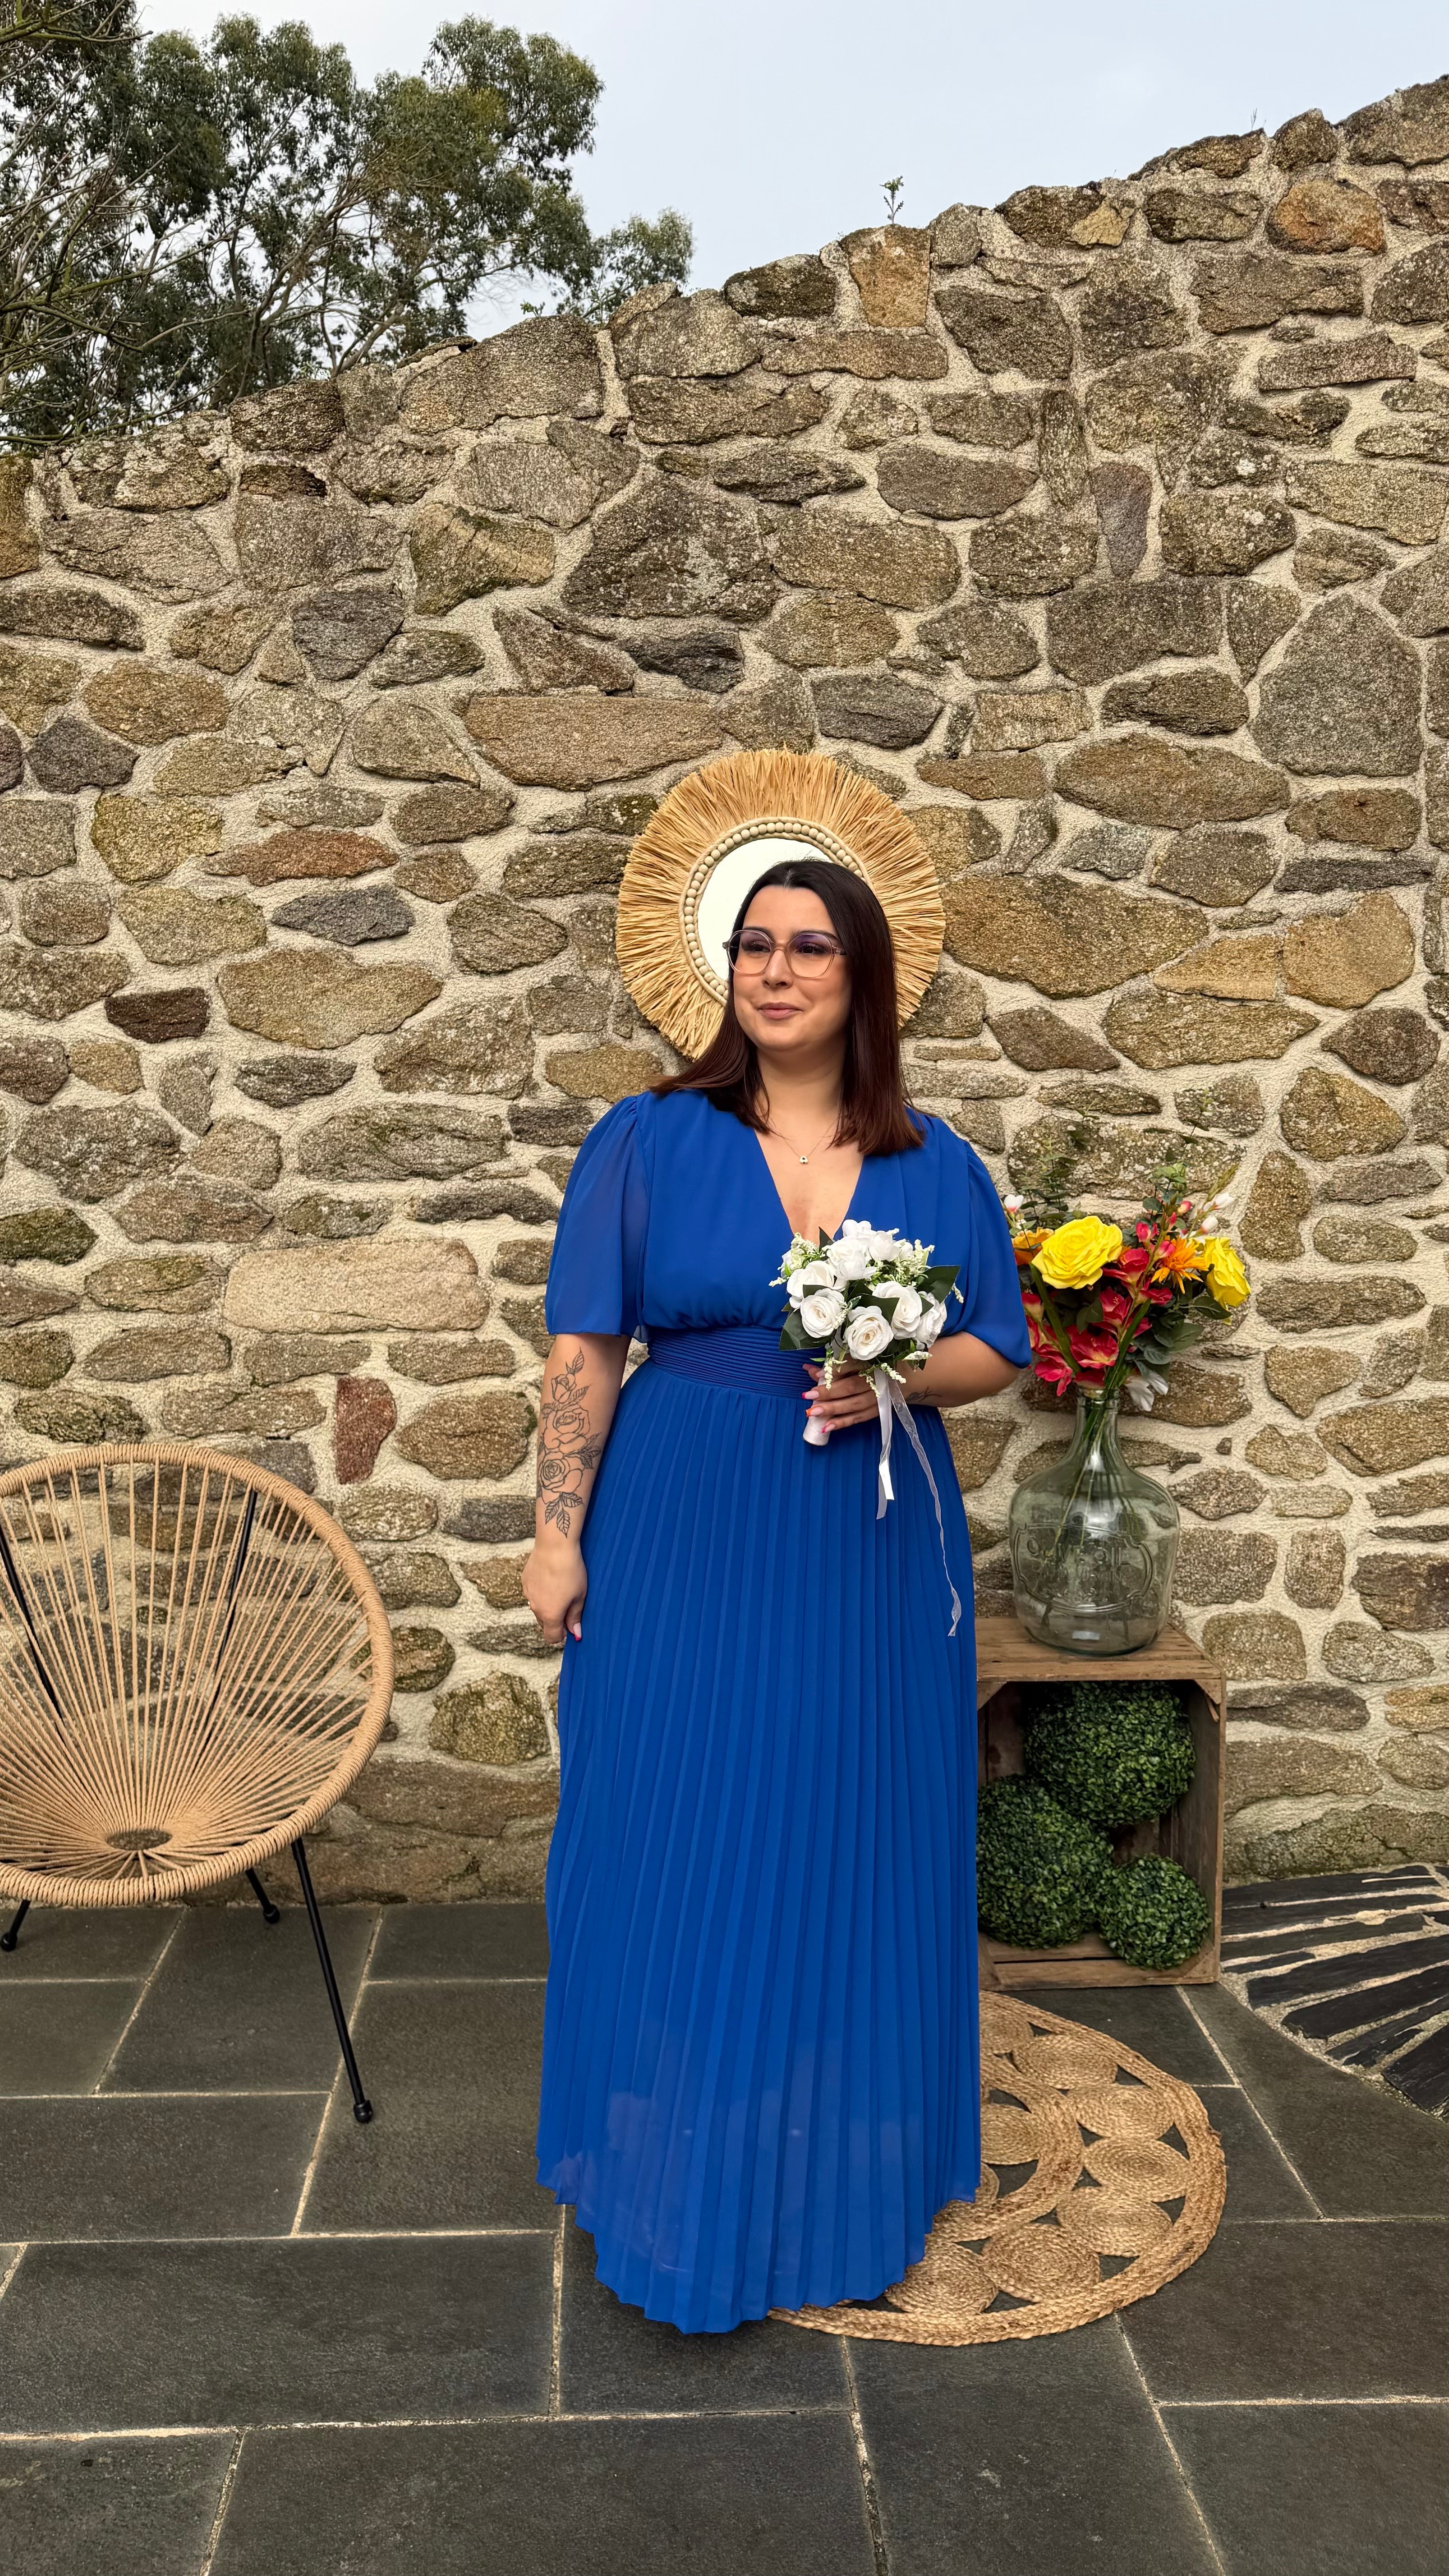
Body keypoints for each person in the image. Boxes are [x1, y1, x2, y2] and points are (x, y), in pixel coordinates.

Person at [523, 855, 1029, 2332]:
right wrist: (556, 1534)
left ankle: (827, 2173)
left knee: (845, 1826)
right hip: (680, 1518)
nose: (778, 970)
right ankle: (676, 2176)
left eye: (811, 947)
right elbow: (584, 1348)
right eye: (755, 945)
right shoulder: (648, 1136)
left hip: (864, 1538)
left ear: (864, 978)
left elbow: (996, 1346)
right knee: (669, 1819)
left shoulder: (937, 1162)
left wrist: (895, 1375)